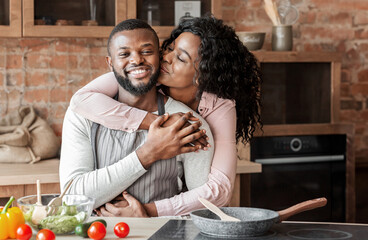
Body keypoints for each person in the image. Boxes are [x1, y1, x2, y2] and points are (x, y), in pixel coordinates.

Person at [70, 15, 262, 217]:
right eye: (170, 48)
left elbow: (218, 190)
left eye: (180, 58)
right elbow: (80, 100)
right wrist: (160, 123)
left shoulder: (218, 107)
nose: (166, 58)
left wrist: (148, 211)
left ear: (203, 75)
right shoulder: (141, 75)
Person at [59, 19, 214, 211]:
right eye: (124, 54)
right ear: (110, 63)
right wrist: (147, 154)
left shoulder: (187, 123)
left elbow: (204, 209)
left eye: (147, 51)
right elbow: (73, 198)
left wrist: (149, 214)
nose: (136, 60)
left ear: (159, 56)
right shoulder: (83, 115)